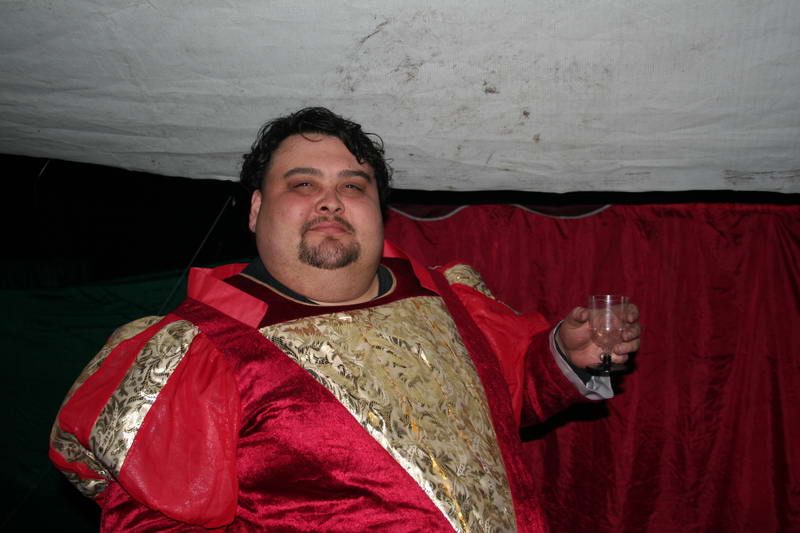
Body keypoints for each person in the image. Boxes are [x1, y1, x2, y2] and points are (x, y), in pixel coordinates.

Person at [50, 107, 641, 532]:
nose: (330, 200)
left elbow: (506, 404)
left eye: (352, 185)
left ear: (378, 209)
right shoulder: (201, 348)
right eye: (302, 184)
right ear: (256, 209)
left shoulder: (449, 298)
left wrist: (563, 355)